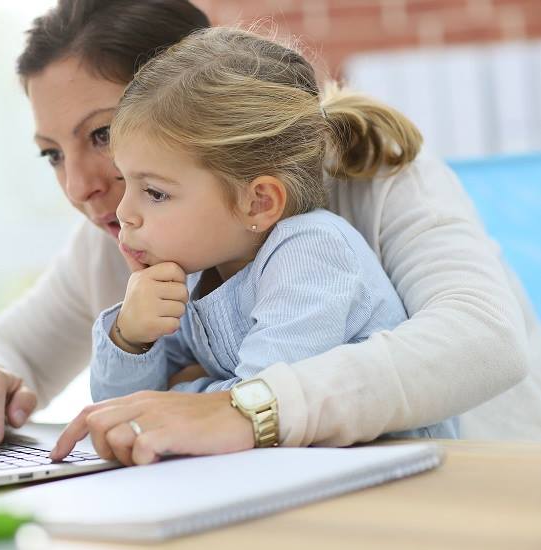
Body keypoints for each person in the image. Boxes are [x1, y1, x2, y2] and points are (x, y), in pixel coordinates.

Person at [0, 0, 539, 463]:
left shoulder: (370, 175)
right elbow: (14, 348)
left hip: (483, 483)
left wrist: (237, 405)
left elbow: (485, 338)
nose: (79, 185)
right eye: (51, 153)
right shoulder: (123, 227)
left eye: (103, 135)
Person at [84, 26, 455, 444]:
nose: (123, 213)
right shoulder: (189, 272)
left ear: (258, 202)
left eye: (155, 192)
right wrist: (131, 338)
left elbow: (252, 410)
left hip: (401, 483)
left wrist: (180, 390)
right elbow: (122, 419)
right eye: (124, 182)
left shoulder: (312, 253)